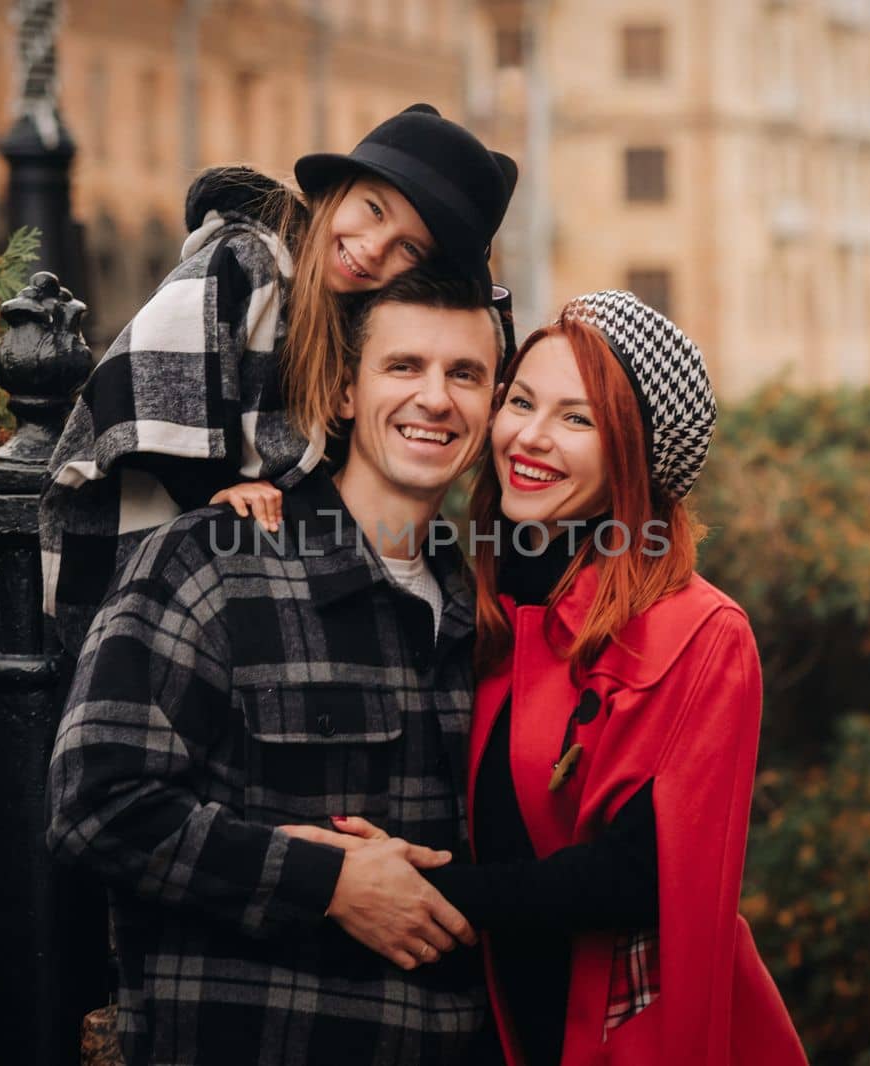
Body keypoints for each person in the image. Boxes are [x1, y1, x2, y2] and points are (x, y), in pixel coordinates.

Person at [290, 291, 807, 1065]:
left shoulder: (699, 632)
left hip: (630, 1037)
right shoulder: (483, 606)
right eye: (521, 401)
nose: (530, 438)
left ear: (631, 455)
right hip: (496, 1029)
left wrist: (406, 889)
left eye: (577, 418)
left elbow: (640, 874)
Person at [46, 271, 510, 1066]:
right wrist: (327, 883)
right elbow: (98, 804)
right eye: (404, 367)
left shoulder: (485, 614)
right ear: (343, 394)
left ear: (493, 408)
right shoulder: (212, 563)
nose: (436, 398)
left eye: (465, 375)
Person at [39, 104, 517, 653]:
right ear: (339, 189)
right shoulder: (248, 259)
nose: (373, 247)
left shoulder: (341, 315)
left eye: (409, 248)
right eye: (374, 210)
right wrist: (213, 487)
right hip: (127, 555)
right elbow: (141, 388)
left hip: (226, 580)